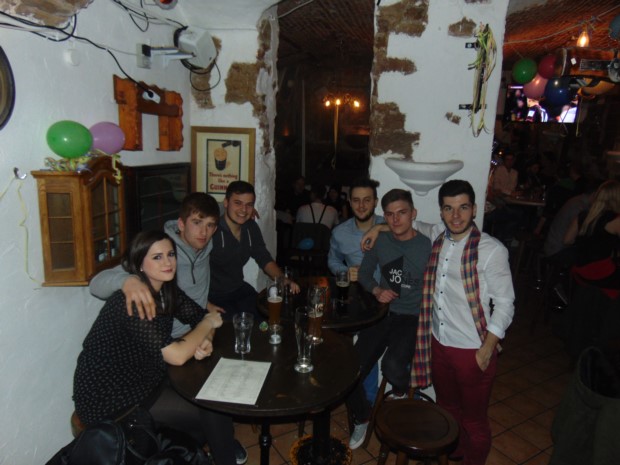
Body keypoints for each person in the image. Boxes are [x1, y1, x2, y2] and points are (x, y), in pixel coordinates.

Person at [89, 193, 248, 464]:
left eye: (171, 255)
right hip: (112, 395)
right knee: (212, 409)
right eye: (157, 257)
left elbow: (200, 315)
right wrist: (127, 281)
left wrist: (206, 337)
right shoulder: (133, 301)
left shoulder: (168, 290)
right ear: (139, 264)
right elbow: (177, 352)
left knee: (212, 402)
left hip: (148, 374)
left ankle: (198, 452)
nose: (168, 263)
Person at [410, 180, 514, 465]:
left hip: (472, 350)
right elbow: (411, 223)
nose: (456, 216)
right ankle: (454, 453)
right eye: (449, 208)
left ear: (475, 209)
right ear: (441, 211)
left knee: (474, 421)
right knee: (447, 408)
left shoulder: (492, 250)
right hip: (438, 342)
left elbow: (505, 303)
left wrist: (487, 348)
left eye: (463, 207)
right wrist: (377, 228)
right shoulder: (437, 235)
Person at [347, 189, 431, 450]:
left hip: (411, 316)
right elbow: (364, 274)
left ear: (413, 213)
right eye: (390, 215)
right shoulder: (381, 241)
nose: (396, 220)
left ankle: (405, 395)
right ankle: (363, 416)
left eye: (402, 213)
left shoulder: (428, 245)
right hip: (382, 313)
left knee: (393, 367)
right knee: (348, 371)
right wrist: (376, 290)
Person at [327, 177, 384, 405]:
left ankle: (366, 401)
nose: (361, 206)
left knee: (365, 349)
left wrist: (380, 227)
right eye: (357, 200)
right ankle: (349, 396)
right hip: (356, 296)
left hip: (387, 297)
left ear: (375, 202)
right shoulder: (340, 232)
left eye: (367, 200)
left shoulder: (389, 225)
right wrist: (344, 271)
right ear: (350, 202)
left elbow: (411, 229)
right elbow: (332, 260)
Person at [208, 181, 299, 320]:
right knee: (236, 326)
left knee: (268, 319)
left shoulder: (251, 227)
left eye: (249, 205)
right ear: (226, 203)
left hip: (239, 289)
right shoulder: (211, 230)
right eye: (238, 203)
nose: (244, 210)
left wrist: (283, 280)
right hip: (214, 296)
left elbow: (264, 258)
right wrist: (205, 303)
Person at [564, 179, 620, 290]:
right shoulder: (616, 220)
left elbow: (567, 240)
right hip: (602, 273)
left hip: (579, 271)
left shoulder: (583, 216)